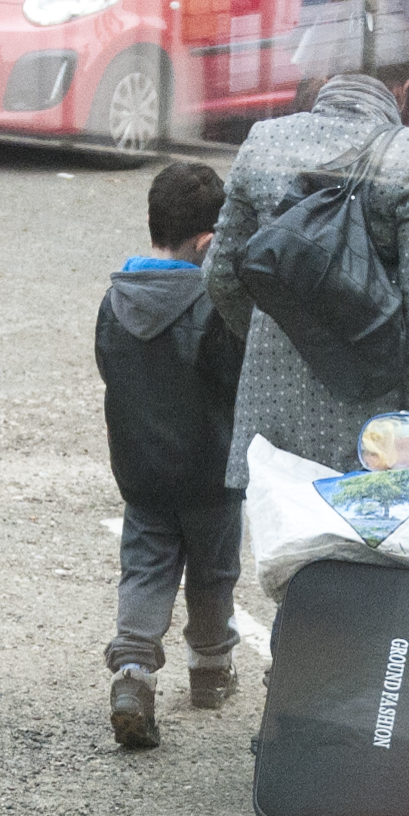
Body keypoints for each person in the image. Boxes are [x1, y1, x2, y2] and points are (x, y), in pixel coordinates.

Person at [203, 70, 409, 497]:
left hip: (272, 404)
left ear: (320, 79)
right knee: (360, 555)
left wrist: (285, 326)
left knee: (282, 557)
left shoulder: (263, 141)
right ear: (404, 89)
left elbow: (220, 275)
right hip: (372, 418)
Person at [95, 157, 248, 749]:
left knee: (145, 568)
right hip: (211, 472)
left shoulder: (116, 300)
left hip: (141, 471)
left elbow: (112, 371)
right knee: (213, 573)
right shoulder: (214, 304)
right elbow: (232, 383)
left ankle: (132, 675)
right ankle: (211, 672)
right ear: (209, 239)